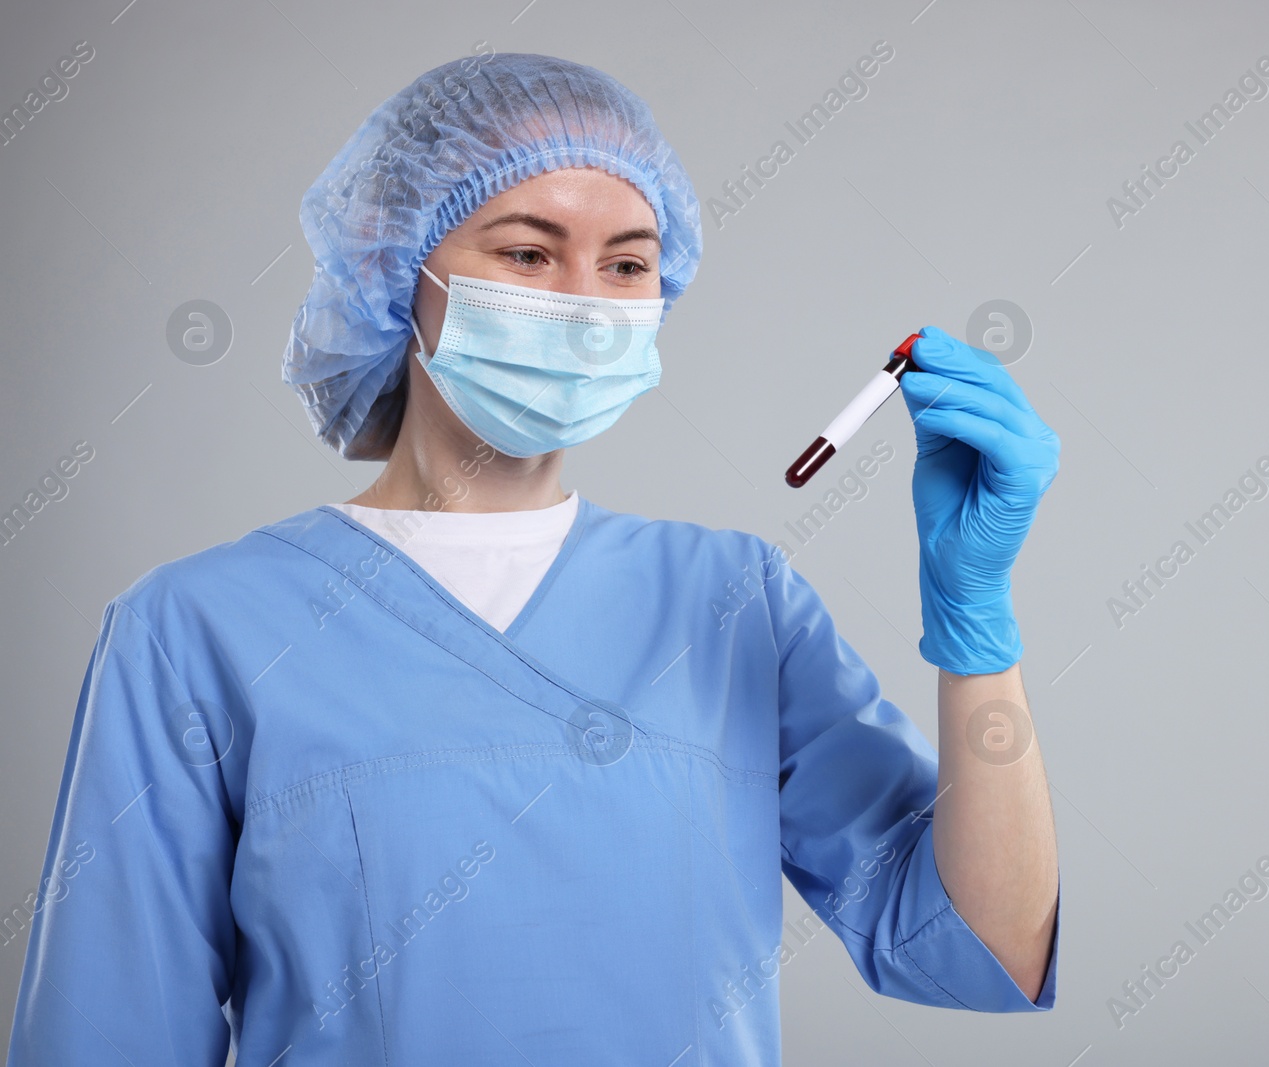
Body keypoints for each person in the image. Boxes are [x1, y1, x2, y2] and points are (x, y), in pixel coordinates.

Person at [6, 52, 1062, 1065]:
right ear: (392, 261)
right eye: (526, 251)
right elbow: (109, 1033)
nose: (584, 304)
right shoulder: (199, 628)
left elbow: (979, 949)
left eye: (627, 263)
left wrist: (975, 620)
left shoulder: (735, 604)